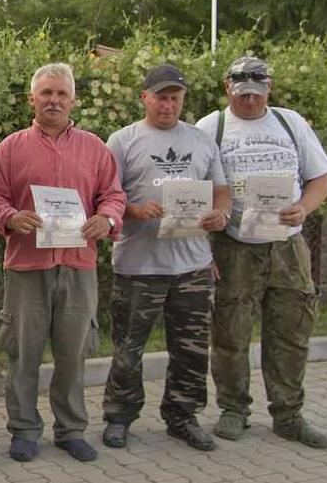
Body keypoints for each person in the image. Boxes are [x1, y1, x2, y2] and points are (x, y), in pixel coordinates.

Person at [0, 63, 126, 463]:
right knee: (23, 354)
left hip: (79, 266)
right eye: (46, 93)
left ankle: (71, 430)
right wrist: (10, 216)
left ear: (73, 100)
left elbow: (113, 195)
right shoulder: (10, 148)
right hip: (28, 267)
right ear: (32, 99)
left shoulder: (96, 148)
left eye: (61, 94)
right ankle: (24, 430)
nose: (54, 101)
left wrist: (107, 219)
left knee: (72, 353)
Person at [195, 56, 327, 448]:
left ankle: (288, 415)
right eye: (242, 95)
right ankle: (234, 409)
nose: (250, 101)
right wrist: (207, 239)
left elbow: (322, 178)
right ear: (228, 88)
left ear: (269, 88)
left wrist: (304, 207)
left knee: (291, 332)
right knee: (229, 332)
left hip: (287, 246)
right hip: (234, 247)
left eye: (256, 94)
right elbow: (196, 190)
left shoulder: (291, 123)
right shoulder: (211, 127)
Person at [100, 64, 231, 451]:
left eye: (175, 97)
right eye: (160, 96)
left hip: (191, 265)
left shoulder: (202, 141)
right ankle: (119, 417)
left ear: (183, 99)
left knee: (191, 349)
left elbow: (221, 191)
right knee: (128, 349)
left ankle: (183, 417)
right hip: (138, 267)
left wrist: (221, 214)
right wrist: (135, 211)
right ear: (145, 97)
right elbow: (105, 196)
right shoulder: (122, 141)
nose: (167, 104)